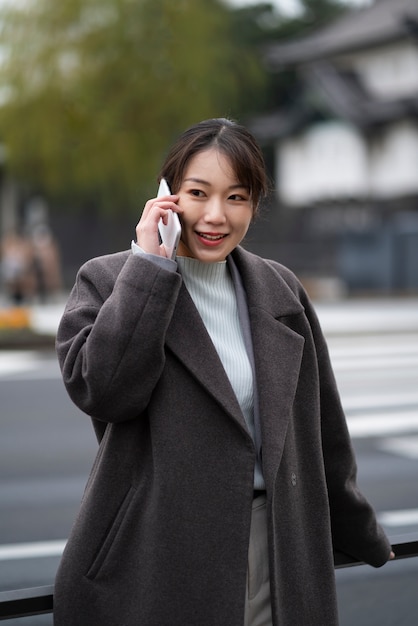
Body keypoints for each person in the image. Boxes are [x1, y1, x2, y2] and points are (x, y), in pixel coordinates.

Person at [54, 118, 393, 626]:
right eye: (198, 192)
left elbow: (321, 432)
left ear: (255, 205)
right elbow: (103, 392)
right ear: (167, 195)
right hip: (158, 553)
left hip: (277, 545)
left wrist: (359, 531)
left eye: (237, 197)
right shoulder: (111, 280)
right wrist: (150, 266)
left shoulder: (279, 289)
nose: (215, 216)